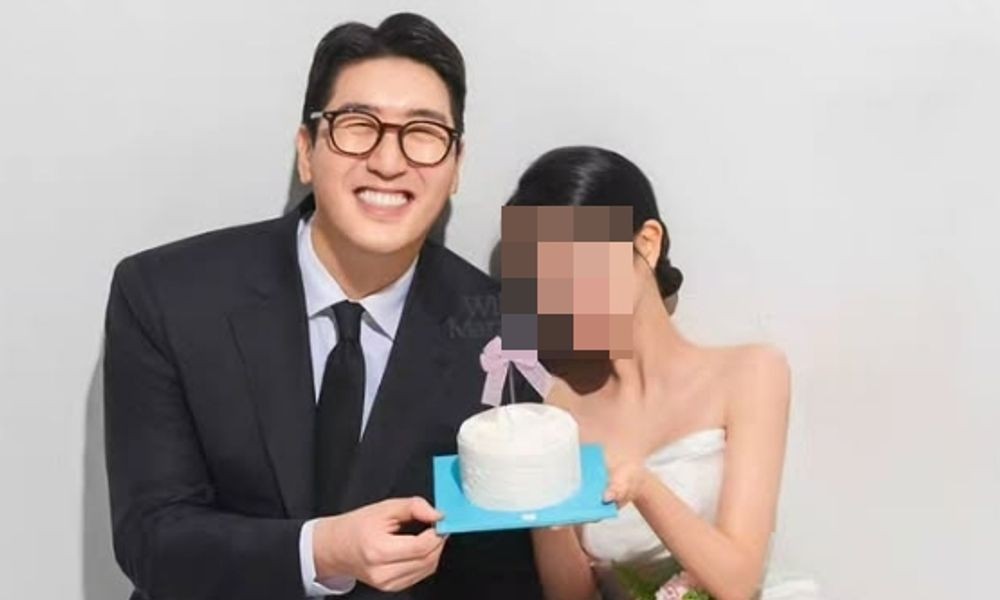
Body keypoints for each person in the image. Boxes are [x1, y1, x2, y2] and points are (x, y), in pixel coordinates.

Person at [103, 13, 541, 600]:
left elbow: (505, 566)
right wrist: (323, 550)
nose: (389, 161)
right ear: (307, 151)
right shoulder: (167, 295)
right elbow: (152, 538)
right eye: (358, 126)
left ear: (456, 166)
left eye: (423, 133)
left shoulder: (506, 327)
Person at [504, 146, 821, 599]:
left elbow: (737, 580)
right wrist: (544, 509)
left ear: (647, 242)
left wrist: (644, 488)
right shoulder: (558, 407)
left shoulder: (750, 373)